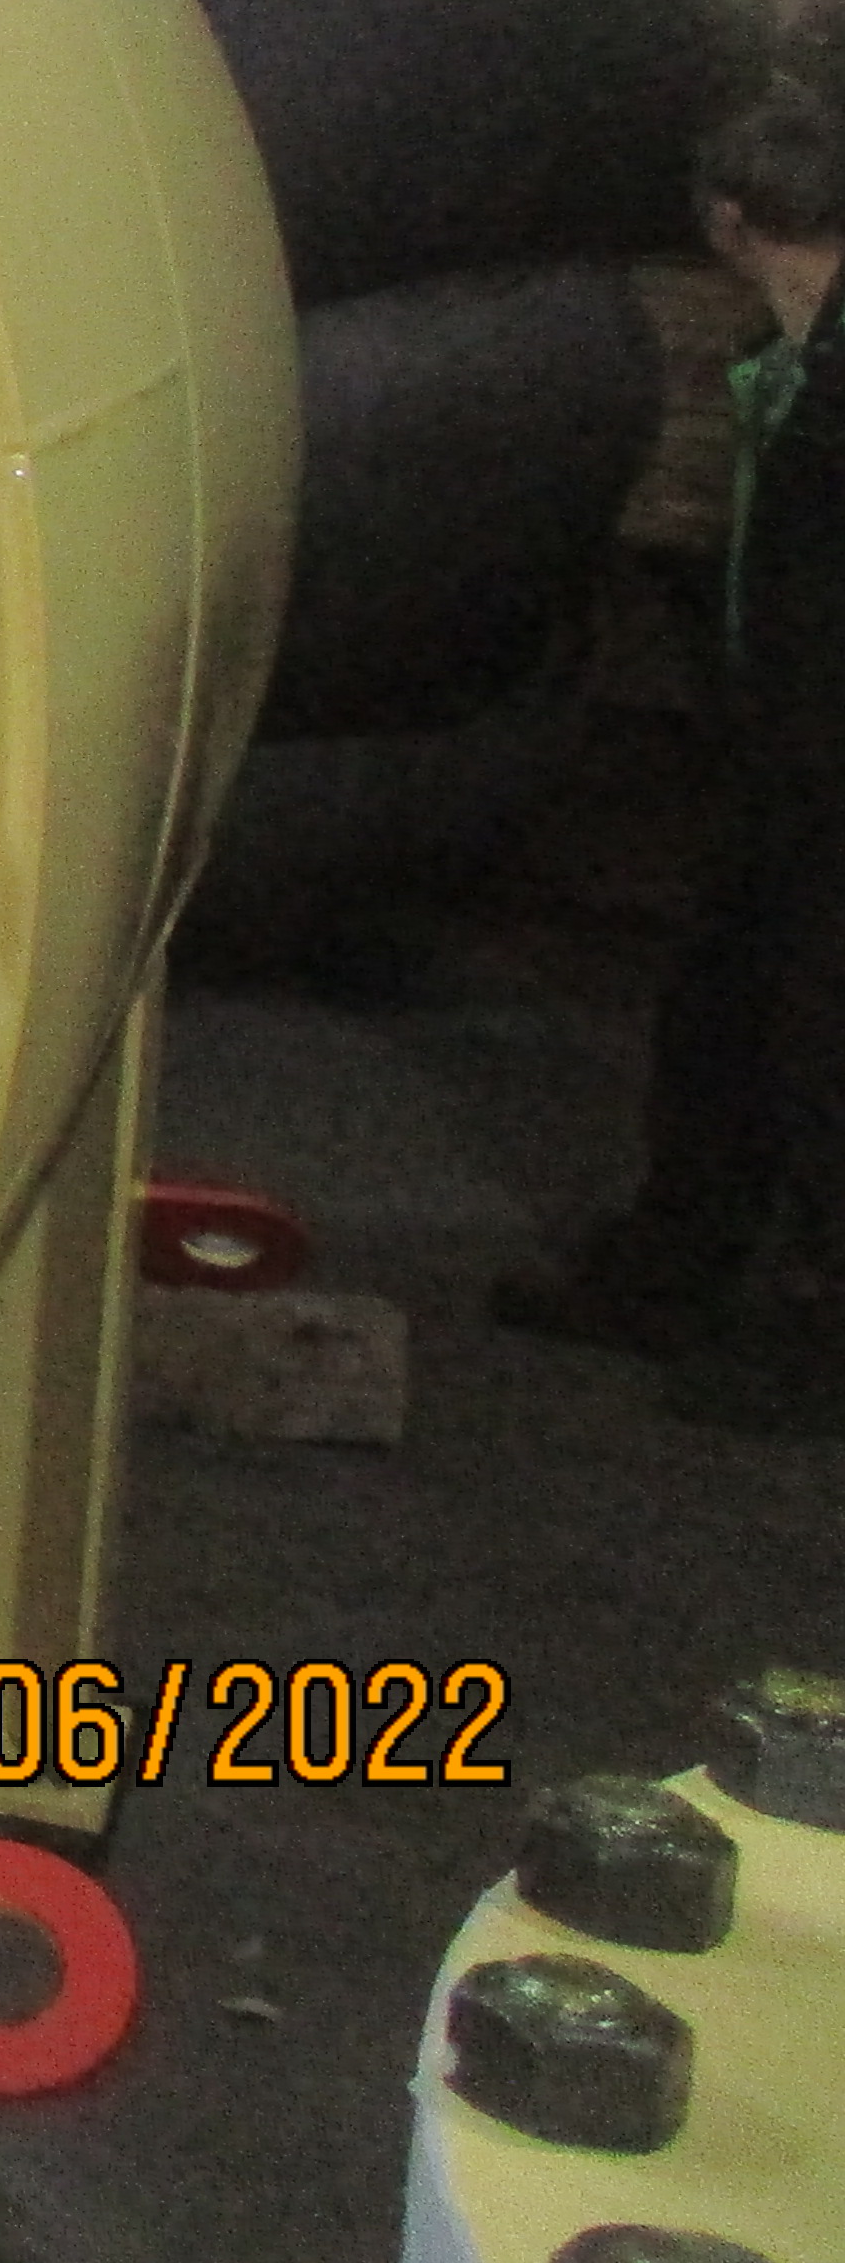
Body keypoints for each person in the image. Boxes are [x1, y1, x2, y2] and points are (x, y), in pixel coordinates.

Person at [501, 76, 845, 1431]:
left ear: (729, 221)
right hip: (787, 758)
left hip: (819, 763)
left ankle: (794, 1323)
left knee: (808, 1043)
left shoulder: (818, 379)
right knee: (727, 1019)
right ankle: (680, 1269)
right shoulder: (791, 363)